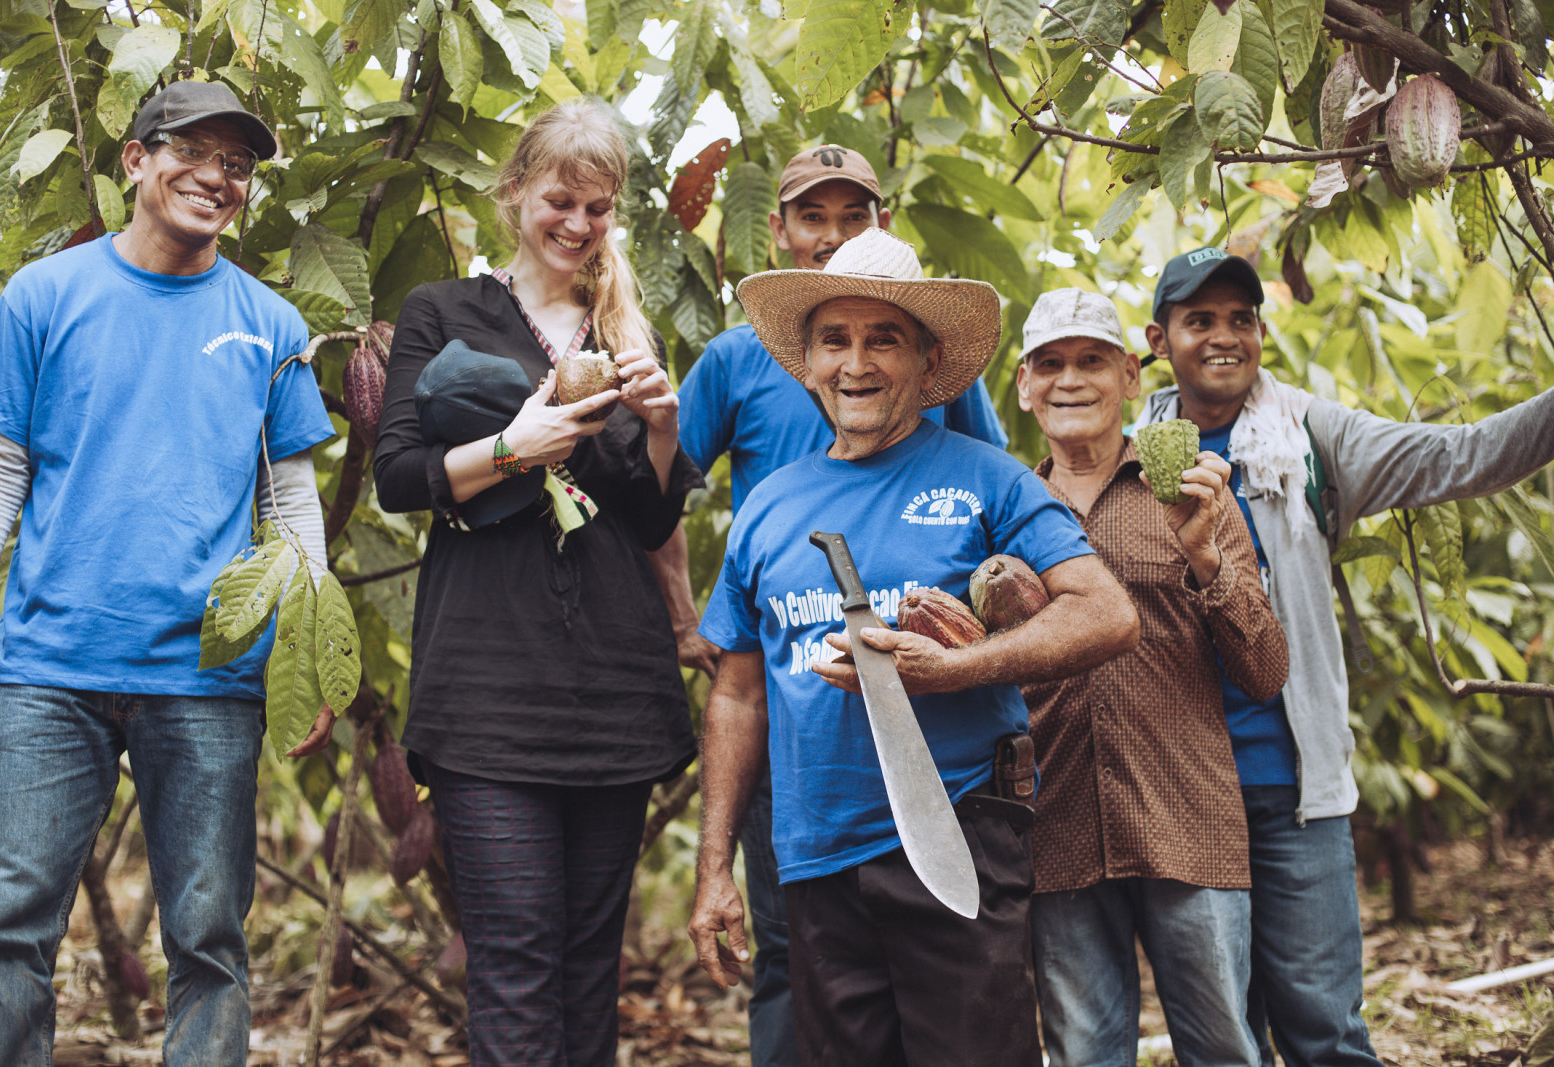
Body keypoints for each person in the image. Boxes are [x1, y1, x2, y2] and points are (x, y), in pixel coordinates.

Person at [688, 228, 1139, 1066]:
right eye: (835, 340)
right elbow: (739, 693)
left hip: (959, 830)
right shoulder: (767, 507)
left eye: (882, 339)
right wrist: (715, 866)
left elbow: (1106, 613)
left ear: (928, 364)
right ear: (808, 361)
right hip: (816, 852)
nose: (855, 363)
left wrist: (956, 669)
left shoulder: (987, 476)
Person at [0, 81, 335, 1064]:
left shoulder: (273, 324)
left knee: (209, 942)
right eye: (194, 151)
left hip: (207, 678)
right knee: (6, 940)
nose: (216, 176)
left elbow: (290, 502)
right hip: (51, 665)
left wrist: (313, 658)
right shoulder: (48, 295)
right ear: (133, 159)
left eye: (238, 163)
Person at [1134, 247, 1554, 1066]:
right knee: (1221, 1042)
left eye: (1242, 319)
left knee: (1326, 1030)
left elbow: (1460, 456)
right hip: (1183, 798)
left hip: (1296, 791)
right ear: (1159, 338)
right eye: (1200, 320)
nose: (1225, 337)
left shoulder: (1309, 436)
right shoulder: (1126, 451)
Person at [370, 99, 700, 1067]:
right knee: (514, 957)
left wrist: (663, 425)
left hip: (613, 690)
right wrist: (512, 448)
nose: (578, 224)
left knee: (591, 961)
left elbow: (647, 518)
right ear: (514, 194)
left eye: (598, 208)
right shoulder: (444, 311)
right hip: (488, 691)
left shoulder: (620, 329)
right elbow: (398, 477)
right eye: (560, 199)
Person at [670, 143, 1010, 1066]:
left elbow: (1004, 517)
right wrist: (691, 622)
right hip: (798, 700)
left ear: (880, 223)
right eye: (811, 218)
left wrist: (976, 640)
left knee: (954, 975)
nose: (831, 235)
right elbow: (662, 492)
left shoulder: (947, 395)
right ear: (779, 232)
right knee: (800, 952)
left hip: (936, 724)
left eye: (850, 216)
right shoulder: (736, 361)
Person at [1016, 288, 1288, 1066]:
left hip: (1186, 819)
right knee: (1082, 1053)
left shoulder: (1192, 488)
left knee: (1226, 1048)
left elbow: (1266, 670)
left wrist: (1205, 556)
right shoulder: (1008, 507)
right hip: (1058, 830)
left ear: (1131, 375)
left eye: (1092, 361)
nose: (1072, 380)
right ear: (1027, 385)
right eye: (1052, 364)